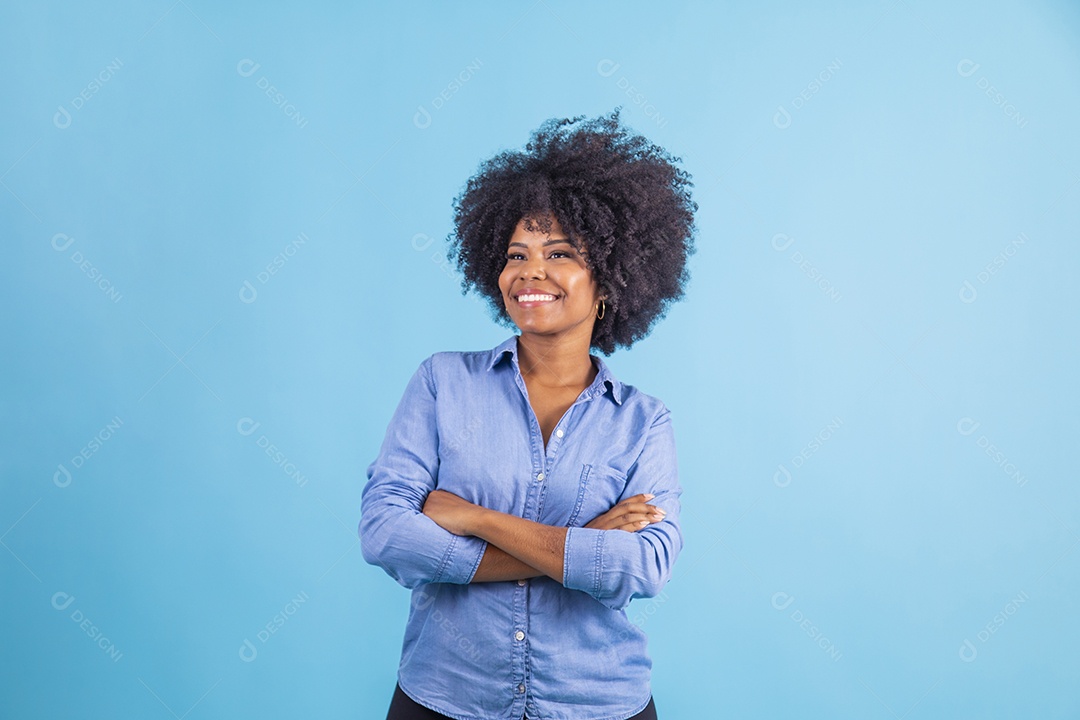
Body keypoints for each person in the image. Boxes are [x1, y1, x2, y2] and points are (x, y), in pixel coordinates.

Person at [360, 108, 697, 720]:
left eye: (559, 252)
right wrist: (586, 542)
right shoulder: (442, 383)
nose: (530, 272)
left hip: (594, 702)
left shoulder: (643, 422)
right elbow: (386, 534)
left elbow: (645, 567)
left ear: (609, 280)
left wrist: (474, 518)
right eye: (516, 254)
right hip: (445, 697)